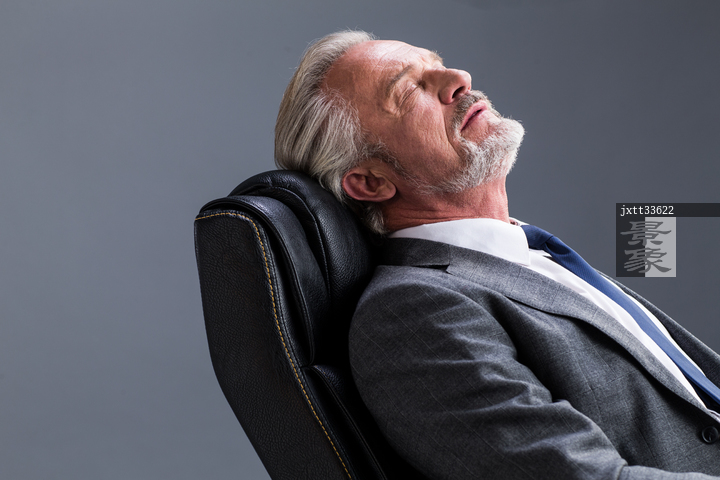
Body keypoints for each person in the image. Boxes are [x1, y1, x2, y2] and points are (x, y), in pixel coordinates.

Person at [275, 30, 720, 479]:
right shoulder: (411, 312)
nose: (459, 78)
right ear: (371, 183)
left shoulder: (531, 254)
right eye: (408, 90)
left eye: (438, 64)